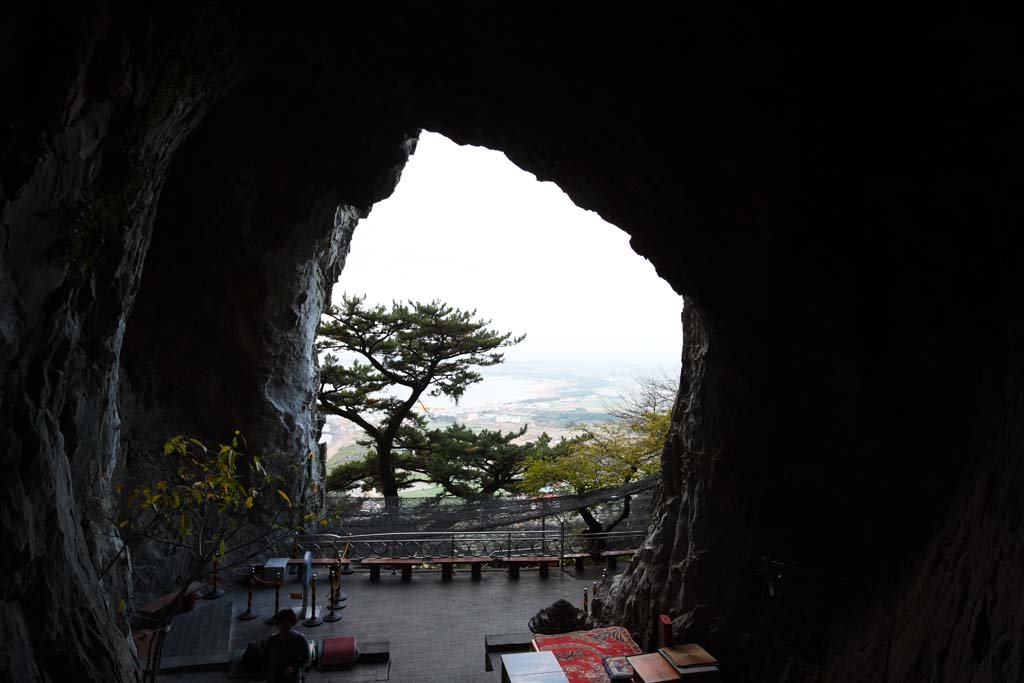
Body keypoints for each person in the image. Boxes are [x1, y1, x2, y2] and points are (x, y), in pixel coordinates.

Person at [263, 609, 308, 682]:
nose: (284, 627)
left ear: (291, 624)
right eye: (281, 624)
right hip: (276, 673)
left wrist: (293, 667)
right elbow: (264, 659)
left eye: (287, 624)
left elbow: (305, 658)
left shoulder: (300, 639)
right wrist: (271, 669)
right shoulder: (272, 640)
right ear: (278, 624)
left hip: (293, 673)